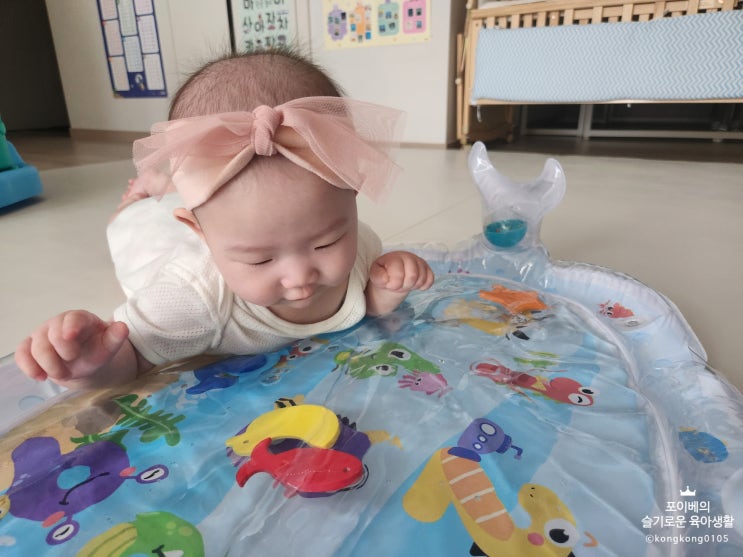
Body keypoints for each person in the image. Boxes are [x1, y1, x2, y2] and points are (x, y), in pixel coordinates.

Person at [15, 49, 434, 390]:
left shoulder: (360, 243)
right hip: (153, 241)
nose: (299, 277)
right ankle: (138, 196)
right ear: (198, 232)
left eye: (324, 243)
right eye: (260, 259)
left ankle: (165, 188)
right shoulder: (191, 299)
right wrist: (90, 366)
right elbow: (132, 359)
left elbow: (361, 305)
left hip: (213, 219)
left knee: (207, 202)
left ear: (353, 197)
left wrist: (386, 289)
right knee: (138, 218)